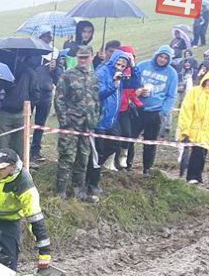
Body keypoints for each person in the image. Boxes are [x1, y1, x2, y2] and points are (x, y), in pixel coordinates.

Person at [0, 150, 52, 271]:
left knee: (8, 261)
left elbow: (35, 218)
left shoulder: (23, 182)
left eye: (3, 169)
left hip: (9, 222)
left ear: (13, 167)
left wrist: (44, 253)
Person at [84, 50, 133, 198]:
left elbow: (136, 82)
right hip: (99, 118)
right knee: (97, 152)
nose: (121, 66)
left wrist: (134, 67)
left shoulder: (122, 75)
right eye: (119, 63)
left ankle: (90, 171)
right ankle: (92, 184)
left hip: (112, 120)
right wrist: (113, 85)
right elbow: (97, 94)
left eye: (124, 65)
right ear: (113, 61)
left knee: (114, 145)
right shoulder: (102, 72)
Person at [54, 46, 99, 200]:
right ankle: (60, 192)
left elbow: (96, 100)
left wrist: (94, 120)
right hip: (71, 124)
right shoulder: (67, 75)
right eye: (80, 57)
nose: (83, 60)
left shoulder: (94, 77)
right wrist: (65, 121)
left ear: (92, 57)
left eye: (86, 57)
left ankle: (79, 192)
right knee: (67, 158)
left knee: (83, 159)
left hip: (87, 126)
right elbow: (59, 99)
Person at [135, 46, 179, 176]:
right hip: (138, 108)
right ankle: (125, 164)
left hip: (155, 112)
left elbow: (171, 96)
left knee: (150, 141)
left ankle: (147, 168)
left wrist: (163, 112)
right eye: (161, 56)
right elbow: (132, 82)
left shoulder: (172, 73)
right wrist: (137, 92)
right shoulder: (143, 65)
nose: (162, 59)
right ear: (156, 55)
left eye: (166, 58)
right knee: (130, 138)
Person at [177, 68, 209, 184]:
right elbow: (187, 110)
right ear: (205, 80)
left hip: (208, 131)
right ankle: (192, 176)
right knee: (195, 153)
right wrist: (185, 130)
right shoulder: (195, 92)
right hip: (194, 129)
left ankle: (197, 176)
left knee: (202, 154)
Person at [0, 57, 40, 157]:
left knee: (20, 148)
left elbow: (35, 93)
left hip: (21, 113)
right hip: (3, 114)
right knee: (2, 148)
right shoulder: (1, 70)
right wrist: (6, 85)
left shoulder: (29, 72)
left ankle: (19, 170)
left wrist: (27, 108)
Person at [31, 46, 60, 161]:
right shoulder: (33, 53)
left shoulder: (55, 55)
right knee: (25, 123)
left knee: (40, 124)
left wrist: (55, 70)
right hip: (32, 93)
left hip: (46, 94)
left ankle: (35, 151)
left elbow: (59, 80)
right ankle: (23, 150)